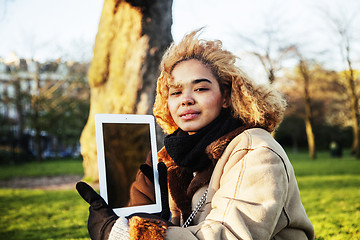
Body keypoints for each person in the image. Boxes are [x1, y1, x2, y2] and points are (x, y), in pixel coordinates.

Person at [76, 29, 315, 240]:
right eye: (176, 91)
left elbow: (230, 235)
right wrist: (143, 214)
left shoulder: (256, 151)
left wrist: (120, 234)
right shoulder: (173, 158)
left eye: (200, 88)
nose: (186, 99)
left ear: (226, 97)